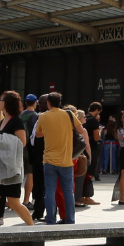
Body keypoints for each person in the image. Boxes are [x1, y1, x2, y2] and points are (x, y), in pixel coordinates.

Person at [34, 91, 88, 225]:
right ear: (60, 102)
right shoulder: (68, 114)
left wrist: (50, 130)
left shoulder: (43, 116)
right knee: (68, 192)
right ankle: (70, 219)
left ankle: (51, 219)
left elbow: (38, 134)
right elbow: (80, 130)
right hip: (66, 160)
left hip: (49, 160)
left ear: (48, 103)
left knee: (50, 192)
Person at [0, 92, 34, 228]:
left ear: (8, 103)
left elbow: (22, 142)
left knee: (13, 202)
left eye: (1, 100)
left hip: (10, 168)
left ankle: (33, 229)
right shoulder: (2, 121)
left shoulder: (17, 120)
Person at [20, 94, 39, 207]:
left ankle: (13, 200)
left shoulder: (20, 116)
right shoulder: (36, 116)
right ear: (35, 103)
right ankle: (26, 200)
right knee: (30, 174)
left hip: (20, 147)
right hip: (31, 149)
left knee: (19, 174)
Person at [84, 102, 103, 203]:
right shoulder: (94, 121)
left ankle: (81, 196)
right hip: (93, 148)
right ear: (96, 110)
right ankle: (88, 196)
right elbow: (96, 138)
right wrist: (99, 131)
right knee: (91, 172)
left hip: (82, 149)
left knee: (83, 172)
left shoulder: (83, 118)